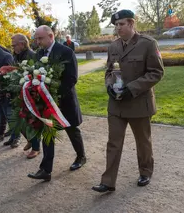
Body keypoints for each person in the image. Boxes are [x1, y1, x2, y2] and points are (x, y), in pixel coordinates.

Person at [92, 10, 164, 193]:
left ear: (132, 24)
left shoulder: (148, 44)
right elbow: (109, 71)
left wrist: (131, 89)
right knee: (113, 143)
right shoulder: (113, 46)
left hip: (139, 102)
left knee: (143, 142)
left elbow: (156, 72)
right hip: (116, 104)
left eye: (121, 24)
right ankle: (108, 182)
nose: (118, 28)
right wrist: (109, 85)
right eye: (116, 25)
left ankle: (146, 172)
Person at [27, 25, 86, 181]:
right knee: (48, 133)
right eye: (36, 39)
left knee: (72, 130)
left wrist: (55, 95)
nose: (38, 42)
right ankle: (45, 170)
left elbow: (72, 78)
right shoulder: (39, 54)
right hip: (47, 103)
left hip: (64, 101)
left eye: (41, 38)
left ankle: (81, 157)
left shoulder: (66, 51)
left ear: (51, 36)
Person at [2, 33, 40, 159]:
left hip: (29, 92)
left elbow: (35, 74)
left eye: (14, 45)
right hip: (18, 91)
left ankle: (36, 148)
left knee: (31, 120)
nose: (13, 48)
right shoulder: (16, 55)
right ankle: (30, 138)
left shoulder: (32, 55)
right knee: (18, 119)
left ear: (22, 44)